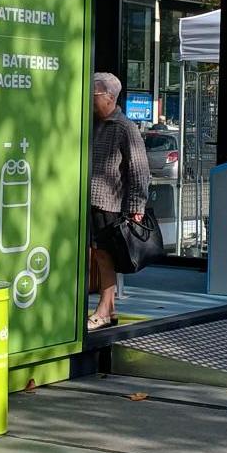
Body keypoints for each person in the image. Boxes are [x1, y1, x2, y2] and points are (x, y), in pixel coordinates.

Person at [87, 72, 150, 330]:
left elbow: (139, 169)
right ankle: (108, 310)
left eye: (94, 95)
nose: (90, 99)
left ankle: (105, 309)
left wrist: (136, 206)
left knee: (105, 257)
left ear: (110, 97)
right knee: (100, 256)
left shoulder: (124, 127)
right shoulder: (92, 123)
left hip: (109, 203)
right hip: (91, 201)